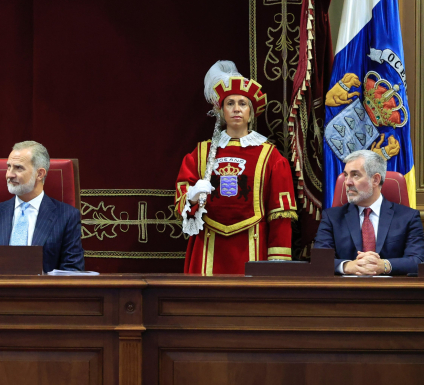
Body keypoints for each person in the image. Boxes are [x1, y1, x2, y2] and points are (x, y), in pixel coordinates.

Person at [175, 61, 298, 275]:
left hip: (253, 250)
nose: (236, 109)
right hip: (207, 249)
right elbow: (182, 199)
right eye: (230, 103)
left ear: (251, 111)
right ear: (221, 110)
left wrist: (278, 267)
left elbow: (281, 217)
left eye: (243, 103)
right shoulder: (202, 153)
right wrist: (191, 198)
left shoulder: (271, 157)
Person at [0, 141, 85, 273]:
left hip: (43, 292)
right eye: (8, 167)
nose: (9, 175)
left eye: (18, 168)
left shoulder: (67, 216)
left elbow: (72, 271)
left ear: (40, 174)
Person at [313, 150, 424, 275]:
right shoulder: (332, 218)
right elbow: (319, 261)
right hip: (345, 291)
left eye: (355, 175)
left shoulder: (408, 217)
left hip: (393, 291)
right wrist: (348, 266)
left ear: (376, 180)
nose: (347, 182)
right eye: (346, 175)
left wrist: (384, 265)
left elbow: (418, 261)